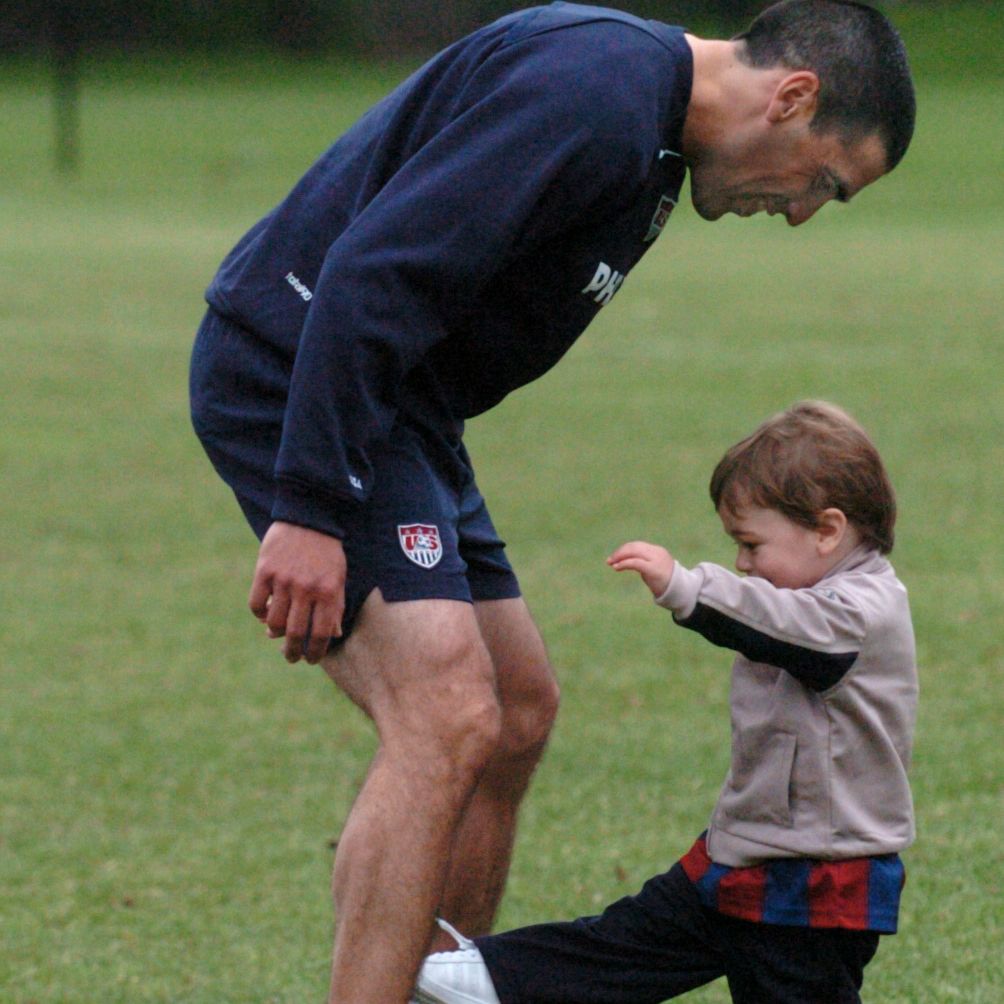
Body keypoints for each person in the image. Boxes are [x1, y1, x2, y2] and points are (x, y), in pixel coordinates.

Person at [188, 0, 915, 999]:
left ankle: (440, 986)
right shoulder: (593, 95)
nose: (798, 211)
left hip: (408, 406)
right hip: (307, 373)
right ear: (791, 98)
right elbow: (367, 273)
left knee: (516, 707)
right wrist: (310, 504)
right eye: (822, 182)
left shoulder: (651, 134)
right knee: (442, 715)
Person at [413, 400, 917, 1004]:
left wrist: (686, 586)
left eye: (752, 544)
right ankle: (491, 978)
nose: (743, 562)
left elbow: (775, 620)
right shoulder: (825, 595)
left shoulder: (857, 612)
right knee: (630, 940)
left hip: (812, 882)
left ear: (828, 530)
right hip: (750, 850)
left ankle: (493, 978)